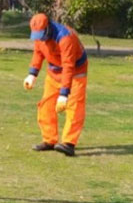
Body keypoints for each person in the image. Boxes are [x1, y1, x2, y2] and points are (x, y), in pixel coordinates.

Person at [23, 13, 88, 157]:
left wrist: (64, 94)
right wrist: (32, 74)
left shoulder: (65, 38)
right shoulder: (39, 37)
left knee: (74, 105)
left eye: (41, 35)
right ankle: (49, 140)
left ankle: (69, 143)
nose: (39, 38)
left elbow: (68, 66)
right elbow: (38, 53)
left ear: (48, 28)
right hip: (54, 71)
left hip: (76, 71)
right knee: (46, 104)